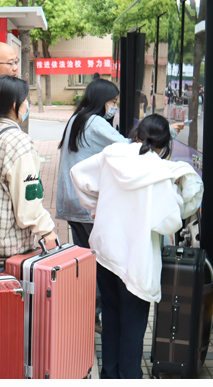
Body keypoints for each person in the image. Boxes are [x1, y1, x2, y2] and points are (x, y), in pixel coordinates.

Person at [70, 114, 203, 379]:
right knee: (133, 323)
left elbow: (78, 174)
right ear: (165, 144)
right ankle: (129, 376)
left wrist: (96, 207)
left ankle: (110, 374)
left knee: (110, 316)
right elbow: (169, 222)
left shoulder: (112, 154)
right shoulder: (159, 172)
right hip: (137, 256)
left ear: (137, 134)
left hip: (106, 250)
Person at [56, 78, 127, 331]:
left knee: (83, 258)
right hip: (85, 203)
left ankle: (81, 310)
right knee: (96, 260)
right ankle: (92, 313)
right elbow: (126, 147)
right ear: (102, 101)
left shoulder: (77, 118)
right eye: (113, 102)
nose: (114, 107)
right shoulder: (96, 122)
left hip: (70, 201)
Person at [0, 75, 58, 272]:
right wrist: (47, 230)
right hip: (9, 252)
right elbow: (29, 201)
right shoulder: (19, 143)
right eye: (26, 100)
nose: (27, 104)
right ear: (14, 104)